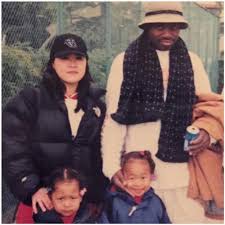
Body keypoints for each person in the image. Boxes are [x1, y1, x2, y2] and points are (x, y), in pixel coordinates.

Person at [101, 2, 217, 223]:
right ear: (146, 27)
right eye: (159, 27)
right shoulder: (124, 61)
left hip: (182, 171)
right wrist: (111, 166)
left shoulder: (192, 61)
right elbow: (115, 118)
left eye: (174, 27)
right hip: (139, 174)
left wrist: (206, 134)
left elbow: (208, 108)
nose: (167, 33)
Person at [3, 33, 109, 223]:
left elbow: (100, 154)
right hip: (42, 203)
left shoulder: (97, 106)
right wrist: (32, 188)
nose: (73, 64)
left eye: (79, 58)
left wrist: (96, 193)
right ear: (52, 63)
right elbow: (13, 150)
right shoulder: (29, 101)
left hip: (82, 206)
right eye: (64, 57)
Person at [105, 151, 171, 223]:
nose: (138, 183)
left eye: (143, 177)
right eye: (132, 178)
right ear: (122, 177)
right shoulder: (113, 203)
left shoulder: (155, 201)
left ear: (151, 177)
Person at [33, 167, 108, 223]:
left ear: (81, 195)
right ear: (50, 196)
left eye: (73, 198)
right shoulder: (43, 216)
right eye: (61, 198)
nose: (67, 204)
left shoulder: (91, 214)